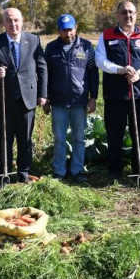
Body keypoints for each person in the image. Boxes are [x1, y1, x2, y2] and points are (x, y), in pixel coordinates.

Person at [95, 1, 140, 179]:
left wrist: (139, 75)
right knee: (114, 134)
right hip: (114, 96)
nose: (128, 16)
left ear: (136, 15)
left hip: (139, 95)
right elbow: (100, 60)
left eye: (131, 12)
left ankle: (138, 169)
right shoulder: (107, 35)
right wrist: (119, 69)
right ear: (117, 15)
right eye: (123, 12)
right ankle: (115, 170)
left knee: (139, 133)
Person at [0, 7, 47, 184]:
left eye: (16, 20)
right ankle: (4, 173)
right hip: (4, 99)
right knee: (5, 138)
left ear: (22, 21)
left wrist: (42, 94)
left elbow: (42, 68)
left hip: (28, 98)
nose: (13, 24)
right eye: (9, 20)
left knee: (25, 139)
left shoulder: (33, 40)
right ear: (4, 23)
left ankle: (23, 172)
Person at [43, 14, 98, 182]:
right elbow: (46, 74)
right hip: (58, 101)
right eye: (64, 30)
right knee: (59, 139)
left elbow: (93, 72)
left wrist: (93, 97)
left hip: (79, 101)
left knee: (79, 139)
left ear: (76, 27)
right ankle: (59, 172)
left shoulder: (86, 47)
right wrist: (46, 98)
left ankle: (77, 171)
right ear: (58, 30)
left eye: (70, 29)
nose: (68, 34)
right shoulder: (51, 48)